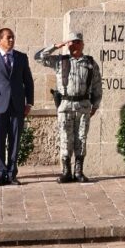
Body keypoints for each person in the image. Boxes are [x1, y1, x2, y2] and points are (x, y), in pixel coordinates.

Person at [34, 32, 102, 184]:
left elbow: (97, 85)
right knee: (66, 138)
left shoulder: (90, 63)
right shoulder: (60, 61)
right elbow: (39, 57)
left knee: (81, 138)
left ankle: (79, 171)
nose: (74, 45)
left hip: (83, 105)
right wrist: (56, 46)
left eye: (77, 42)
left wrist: (95, 105)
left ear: (82, 44)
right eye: (71, 43)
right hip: (65, 105)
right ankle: (66, 171)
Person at [0, 28, 34, 186]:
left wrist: (29, 102)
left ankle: (12, 173)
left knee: (15, 140)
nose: (11, 40)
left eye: (12, 38)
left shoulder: (21, 58)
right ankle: (1, 173)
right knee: (0, 139)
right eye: (8, 38)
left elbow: (28, 81)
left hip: (17, 105)